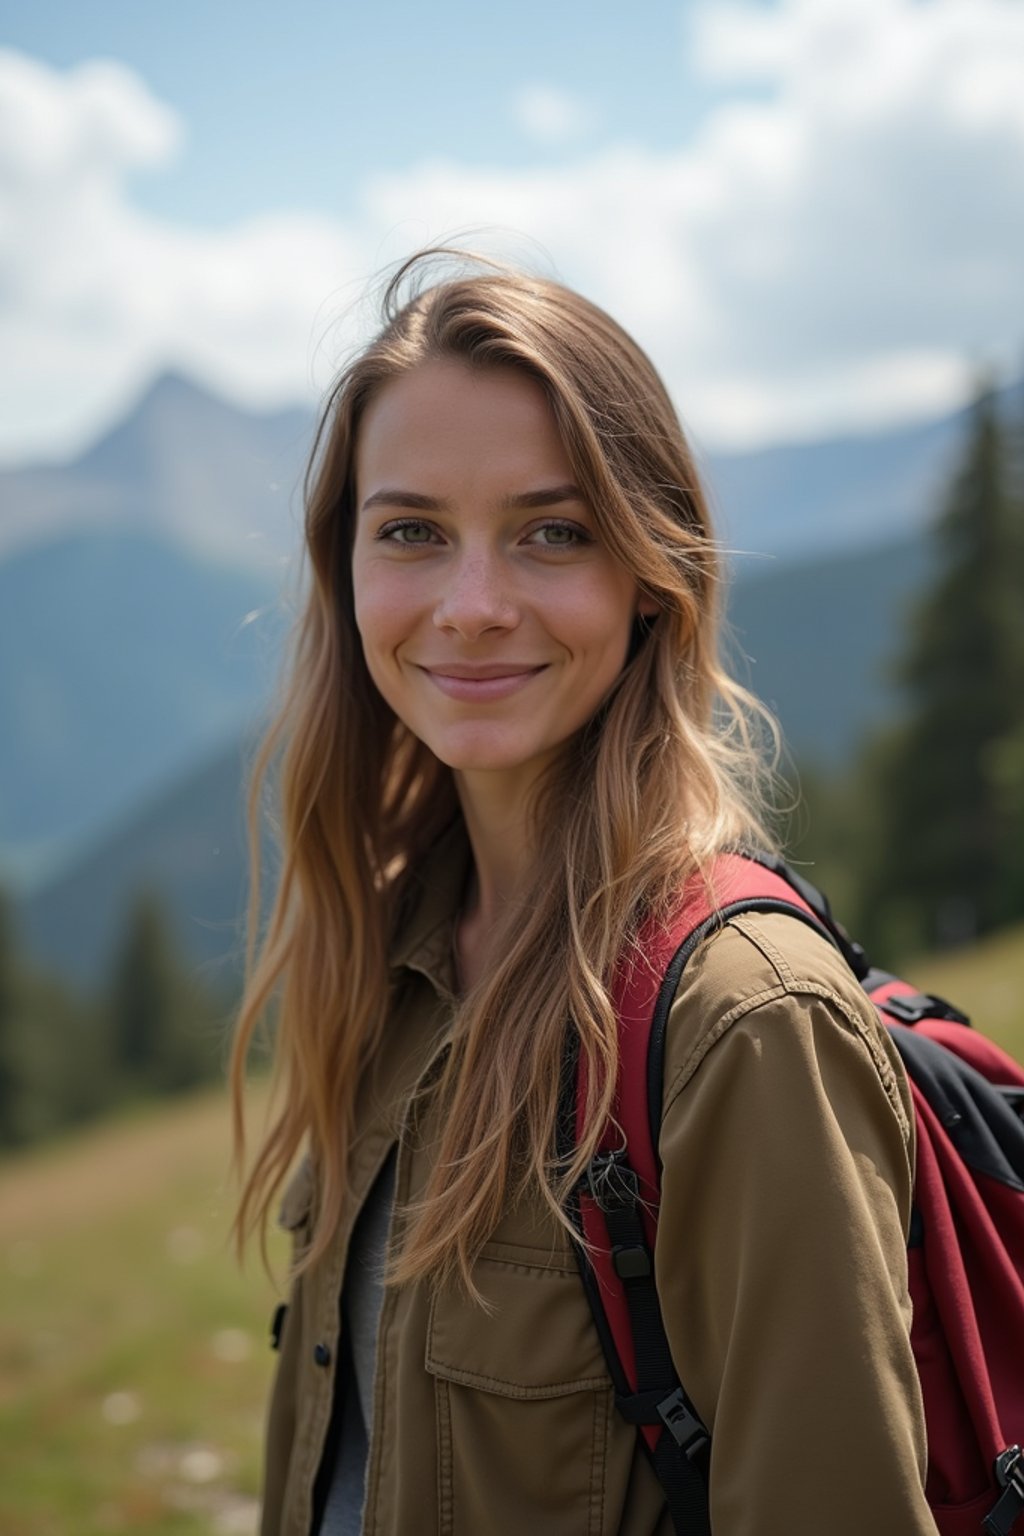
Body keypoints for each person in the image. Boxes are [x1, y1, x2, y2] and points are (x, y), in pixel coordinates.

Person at [231, 252, 938, 1536]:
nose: (474, 604)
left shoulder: (740, 1022)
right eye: (411, 532)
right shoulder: (388, 962)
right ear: (345, 570)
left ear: (648, 573)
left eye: (551, 532)